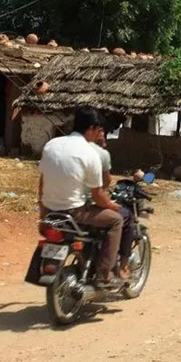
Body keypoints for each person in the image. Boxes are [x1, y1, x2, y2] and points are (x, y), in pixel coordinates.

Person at [38, 106, 123, 287]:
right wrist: (112, 206)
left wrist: (42, 211)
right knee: (116, 221)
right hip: (75, 212)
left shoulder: (51, 145)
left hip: (50, 212)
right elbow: (98, 195)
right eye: (97, 130)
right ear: (91, 129)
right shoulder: (90, 153)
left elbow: (42, 182)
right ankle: (104, 275)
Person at [89, 128, 135, 280]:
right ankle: (115, 268)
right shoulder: (101, 154)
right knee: (123, 217)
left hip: (58, 205)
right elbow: (104, 184)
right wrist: (109, 202)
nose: (105, 141)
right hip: (87, 205)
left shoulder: (62, 148)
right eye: (102, 136)